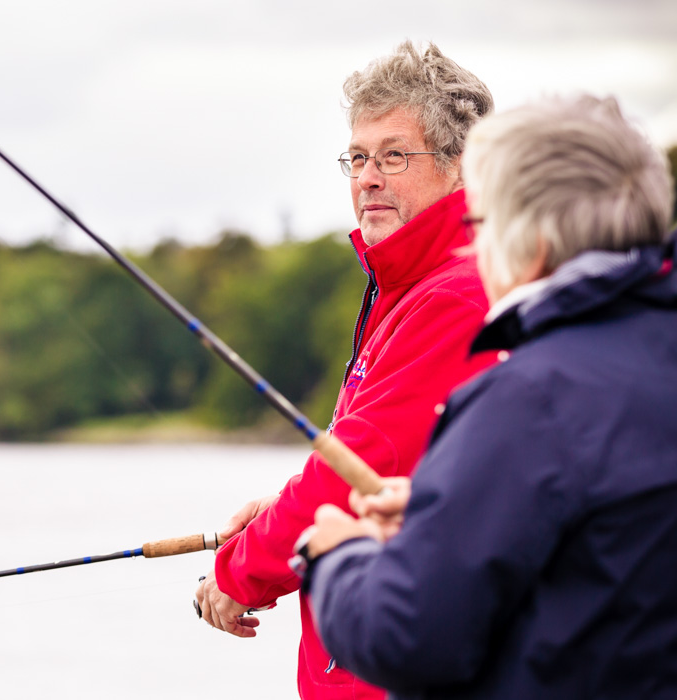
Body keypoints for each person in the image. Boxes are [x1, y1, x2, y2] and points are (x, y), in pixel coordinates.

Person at [299, 95, 677, 698]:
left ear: (530, 243)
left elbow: (408, 639)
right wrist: (445, 503)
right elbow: (611, 565)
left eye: (479, 228)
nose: (469, 252)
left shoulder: (530, 398)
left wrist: (338, 557)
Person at [193, 41, 497, 700]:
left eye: (393, 155)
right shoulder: (410, 288)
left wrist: (236, 572)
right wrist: (281, 511)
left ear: (461, 167)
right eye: (357, 158)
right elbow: (391, 471)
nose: (367, 177)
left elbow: (362, 462)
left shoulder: (455, 296)